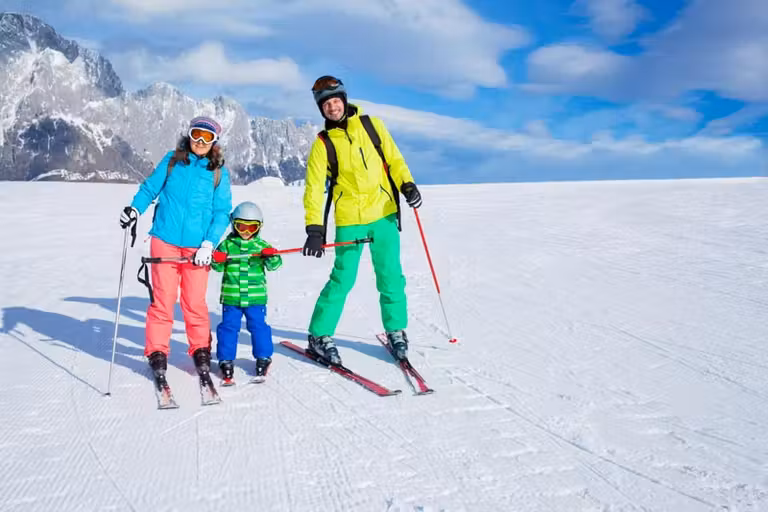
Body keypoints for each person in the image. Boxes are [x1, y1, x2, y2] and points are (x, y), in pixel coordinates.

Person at [301, 75, 423, 365]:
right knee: (343, 278)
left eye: (335, 101)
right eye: (326, 105)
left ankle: (395, 330)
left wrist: (407, 184)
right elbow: (314, 189)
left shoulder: (372, 125)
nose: (332, 108)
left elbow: (394, 159)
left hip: (383, 214)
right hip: (350, 219)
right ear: (321, 110)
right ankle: (319, 334)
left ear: (343, 100)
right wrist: (315, 229)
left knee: (391, 276)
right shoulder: (323, 143)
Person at [119, 116, 232, 379]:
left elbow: (222, 211)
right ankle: (157, 351)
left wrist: (209, 244)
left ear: (215, 141)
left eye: (207, 137)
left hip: (197, 249)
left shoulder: (217, 171)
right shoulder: (172, 160)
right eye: (196, 134)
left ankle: (200, 349)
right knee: (163, 301)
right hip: (164, 240)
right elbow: (150, 189)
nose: (200, 141)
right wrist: (135, 209)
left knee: (194, 302)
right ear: (189, 135)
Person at [210, 201, 282, 382]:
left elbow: (275, 265)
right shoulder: (227, 245)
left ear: (259, 227)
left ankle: (263, 357)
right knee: (228, 328)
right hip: (232, 298)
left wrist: (271, 256)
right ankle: (226, 359)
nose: (246, 232)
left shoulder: (260, 246)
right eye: (241, 226)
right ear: (234, 224)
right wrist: (217, 259)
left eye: (252, 227)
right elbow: (217, 267)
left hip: (255, 298)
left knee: (258, 327)